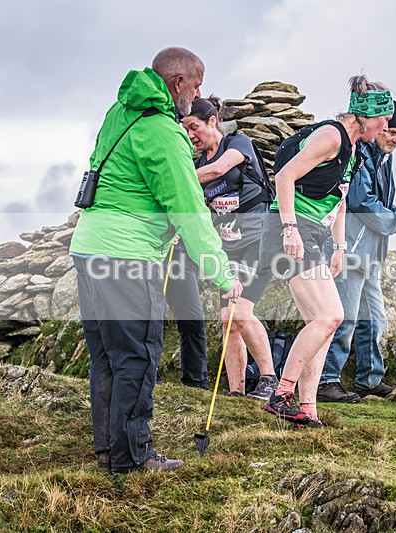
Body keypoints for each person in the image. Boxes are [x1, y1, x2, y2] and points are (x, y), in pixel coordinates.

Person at [69, 47, 242, 474]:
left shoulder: (120, 112)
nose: (199, 92)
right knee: (138, 357)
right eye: (197, 83)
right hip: (127, 255)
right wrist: (221, 272)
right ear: (178, 83)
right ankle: (134, 457)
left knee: (108, 357)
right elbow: (188, 210)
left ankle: (110, 452)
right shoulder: (164, 132)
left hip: (88, 247)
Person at [258, 75, 394, 427]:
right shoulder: (331, 135)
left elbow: (341, 199)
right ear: (367, 115)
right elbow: (284, 177)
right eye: (384, 119)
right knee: (330, 316)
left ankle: (307, 407)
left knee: (322, 323)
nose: (386, 126)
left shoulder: (352, 149)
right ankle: (281, 393)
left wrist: (339, 246)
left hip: (315, 233)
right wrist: (289, 228)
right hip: (290, 229)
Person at [316, 102, 396, 403]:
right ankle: (326, 380)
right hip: (349, 249)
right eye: (390, 131)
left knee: (373, 318)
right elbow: (361, 203)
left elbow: (378, 201)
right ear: (378, 125)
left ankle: (369, 379)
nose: (394, 139)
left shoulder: (383, 160)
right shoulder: (360, 155)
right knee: (346, 318)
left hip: (370, 255)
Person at [181, 96, 279, 400]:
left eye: (194, 127)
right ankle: (236, 391)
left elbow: (219, 169)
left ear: (212, 122)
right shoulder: (196, 162)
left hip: (258, 240)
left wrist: (179, 181)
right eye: (185, 130)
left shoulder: (238, 143)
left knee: (240, 312)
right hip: (229, 248)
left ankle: (271, 381)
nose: (190, 135)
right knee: (227, 320)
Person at [164, 238, 209, 390]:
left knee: (193, 319)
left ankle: (196, 381)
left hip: (180, 255)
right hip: (148, 254)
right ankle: (147, 375)